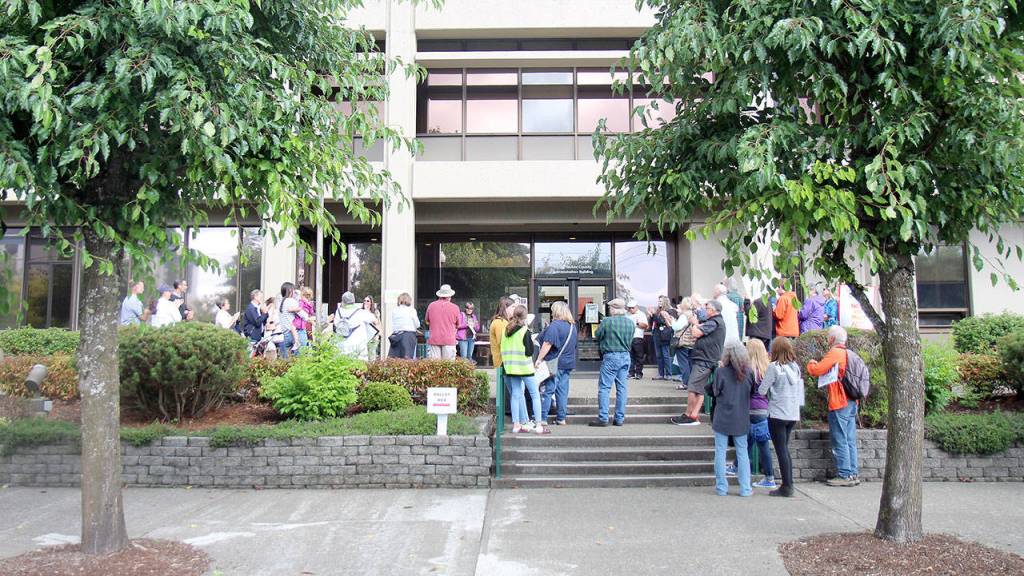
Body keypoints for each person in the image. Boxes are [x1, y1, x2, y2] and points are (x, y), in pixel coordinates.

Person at [806, 325, 860, 487]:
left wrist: (811, 363)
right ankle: (853, 473)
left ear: (831, 339)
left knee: (840, 438)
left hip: (839, 401)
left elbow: (817, 370)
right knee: (850, 439)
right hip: (852, 400)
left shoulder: (835, 353)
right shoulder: (849, 353)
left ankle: (844, 474)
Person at [758, 336, 804, 497]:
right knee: (785, 449)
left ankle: (786, 486)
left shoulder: (774, 367)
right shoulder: (795, 367)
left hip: (777, 413)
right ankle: (788, 483)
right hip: (792, 413)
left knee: (781, 450)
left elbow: (762, 390)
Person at [670, 299, 726, 426]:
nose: (705, 311)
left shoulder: (714, 322)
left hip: (705, 359)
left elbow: (696, 333)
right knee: (699, 388)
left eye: (707, 308)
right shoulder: (715, 322)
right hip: (707, 357)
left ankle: (689, 415)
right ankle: (693, 415)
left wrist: (695, 323)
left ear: (713, 310)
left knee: (693, 386)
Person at [712, 341, 754, 497]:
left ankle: (721, 487)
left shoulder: (720, 372)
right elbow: (752, 392)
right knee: (742, 452)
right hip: (741, 416)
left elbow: (715, 392)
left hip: (722, 416)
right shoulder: (749, 372)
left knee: (720, 451)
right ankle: (745, 488)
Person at [501, 304, 549, 435]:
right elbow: (529, 352)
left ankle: (516, 425)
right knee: (535, 395)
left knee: (515, 395)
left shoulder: (506, 331)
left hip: (511, 368)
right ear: (525, 317)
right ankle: (538, 425)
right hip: (525, 368)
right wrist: (532, 343)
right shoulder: (524, 331)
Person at [591, 298, 633, 427]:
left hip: (611, 356)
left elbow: (597, 335)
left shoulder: (607, 321)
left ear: (614, 309)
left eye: (610, 308)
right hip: (625, 356)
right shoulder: (630, 322)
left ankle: (603, 417)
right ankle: (619, 418)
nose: (609, 310)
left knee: (605, 387)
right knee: (622, 388)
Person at [536, 300, 578, 426]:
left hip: (555, 364)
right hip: (568, 364)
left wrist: (539, 359)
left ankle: (543, 418)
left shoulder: (554, 326)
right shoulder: (572, 326)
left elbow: (547, 344)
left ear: (556, 311)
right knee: (562, 392)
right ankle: (561, 418)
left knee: (548, 390)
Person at [745, 338, 776, 489]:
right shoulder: (767, 369)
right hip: (764, 410)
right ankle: (769, 477)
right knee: (761, 444)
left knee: (746, 442)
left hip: (750, 409)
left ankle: (738, 467)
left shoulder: (748, 371)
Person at [333, 291, 378, 360]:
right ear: (353, 301)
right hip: (357, 348)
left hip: (341, 347)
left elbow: (335, 324)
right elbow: (375, 321)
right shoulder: (360, 312)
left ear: (343, 301)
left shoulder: (338, 312)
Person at [424, 284, 461, 359]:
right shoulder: (455, 307)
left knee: (435, 364)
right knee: (448, 364)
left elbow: (427, 321)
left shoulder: (431, 306)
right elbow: (458, 325)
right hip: (449, 340)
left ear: (439, 295)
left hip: (434, 338)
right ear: (450, 296)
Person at [671, 297, 698, 390]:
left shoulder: (684, 316)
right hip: (691, 342)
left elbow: (676, 327)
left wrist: (672, 320)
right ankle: (692, 383)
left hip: (683, 342)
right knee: (690, 363)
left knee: (683, 364)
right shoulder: (694, 314)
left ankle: (686, 383)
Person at [649, 295, 678, 381]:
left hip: (665, 335)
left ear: (665, 302)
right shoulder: (658, 311)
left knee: (665, 355)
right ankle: (660, 374)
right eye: (658, 301)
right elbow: (653, 322)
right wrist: (651, 316)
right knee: (658, 355)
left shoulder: (670, 311)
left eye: (660, 301)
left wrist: (654, 315)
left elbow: (662, 322)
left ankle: (668, 374)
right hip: (657, 334)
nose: (659, 303)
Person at [277, 282, 308, 359]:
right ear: (290, 290)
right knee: (300, 359)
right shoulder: (291, 301)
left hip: (285, 334)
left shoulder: (280, 302)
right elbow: (304, 315)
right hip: (296, 333)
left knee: (286, 360)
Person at [388, 292, 420, 359]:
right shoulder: (411, 310)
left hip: (396, 336)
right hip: (408, 336)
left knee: (395, 359)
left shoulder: (395, 310)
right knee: (408, 359)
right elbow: (417, 324)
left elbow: (393, 323)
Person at [625, 300, 649, 380]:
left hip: (638, 337)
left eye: (632, 308)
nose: (631, 309)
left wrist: (637, 323)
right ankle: (631, 372)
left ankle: (638, 372)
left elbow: (645, 326)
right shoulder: (626, 314)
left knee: (639, 356)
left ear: (636, 307)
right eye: (629, 308)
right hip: (628, 337)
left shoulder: (641, 314)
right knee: (630, 356)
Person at [363, 295, 383, 360]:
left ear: (371, 303)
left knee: (372, 355)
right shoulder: (361, 312)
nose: (366, 302)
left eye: (368, 301)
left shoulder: (375, 312)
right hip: (364, 336)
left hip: (373, 336)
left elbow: (377, 322)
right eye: (364, 301)